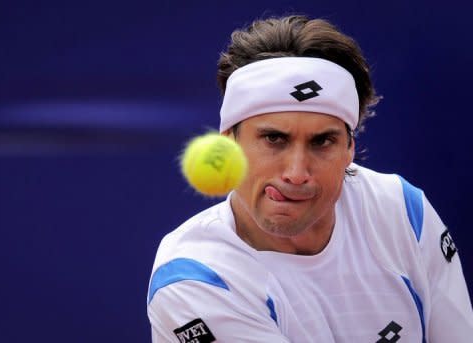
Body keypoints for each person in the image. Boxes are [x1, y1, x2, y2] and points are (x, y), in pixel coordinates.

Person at [147, 15, 473, 342]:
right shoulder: (194, 277)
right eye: (274, 139)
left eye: (322, 142)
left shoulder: (402, 210)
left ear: (349, 149)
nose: (297, 173)